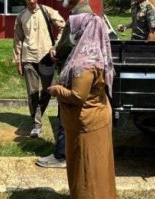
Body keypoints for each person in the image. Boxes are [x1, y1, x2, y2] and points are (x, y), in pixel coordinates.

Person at [48, 11, 116, 199]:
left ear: (83, 31)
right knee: (97, 168)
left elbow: (78, 96)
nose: (71, 33)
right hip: (96, 117)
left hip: (87, 123)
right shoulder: (94, 53)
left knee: (88, 170)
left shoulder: (84, 63)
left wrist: (56, 90)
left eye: (74, 29)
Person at [37, 0, 93, 169]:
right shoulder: (83, 13)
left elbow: (70, 43)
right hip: (76, 70)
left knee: (65, 113)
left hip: (73, 72)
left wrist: (56, 52)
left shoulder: (80, 16)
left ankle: (61, 156)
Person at [13, 0, 65, 138]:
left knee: (48, 90)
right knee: (32, 92)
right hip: (28, 58)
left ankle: (38, 114)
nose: (31, 0)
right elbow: (17, 40)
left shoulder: (47, 11)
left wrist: (56, 45)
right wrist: (17, 60)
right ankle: (36, 124)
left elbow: (63, 26)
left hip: (46, 57)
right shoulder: (21, 15)